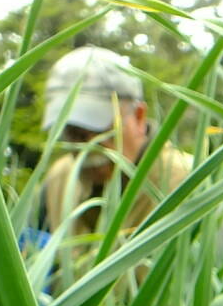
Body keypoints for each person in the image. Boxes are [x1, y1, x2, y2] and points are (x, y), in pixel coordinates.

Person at [40, 45, 194, 241]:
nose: (86, 148)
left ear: (139, 116)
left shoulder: (187, 183)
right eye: (73, 133)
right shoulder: (58, 180)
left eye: (98, 132)